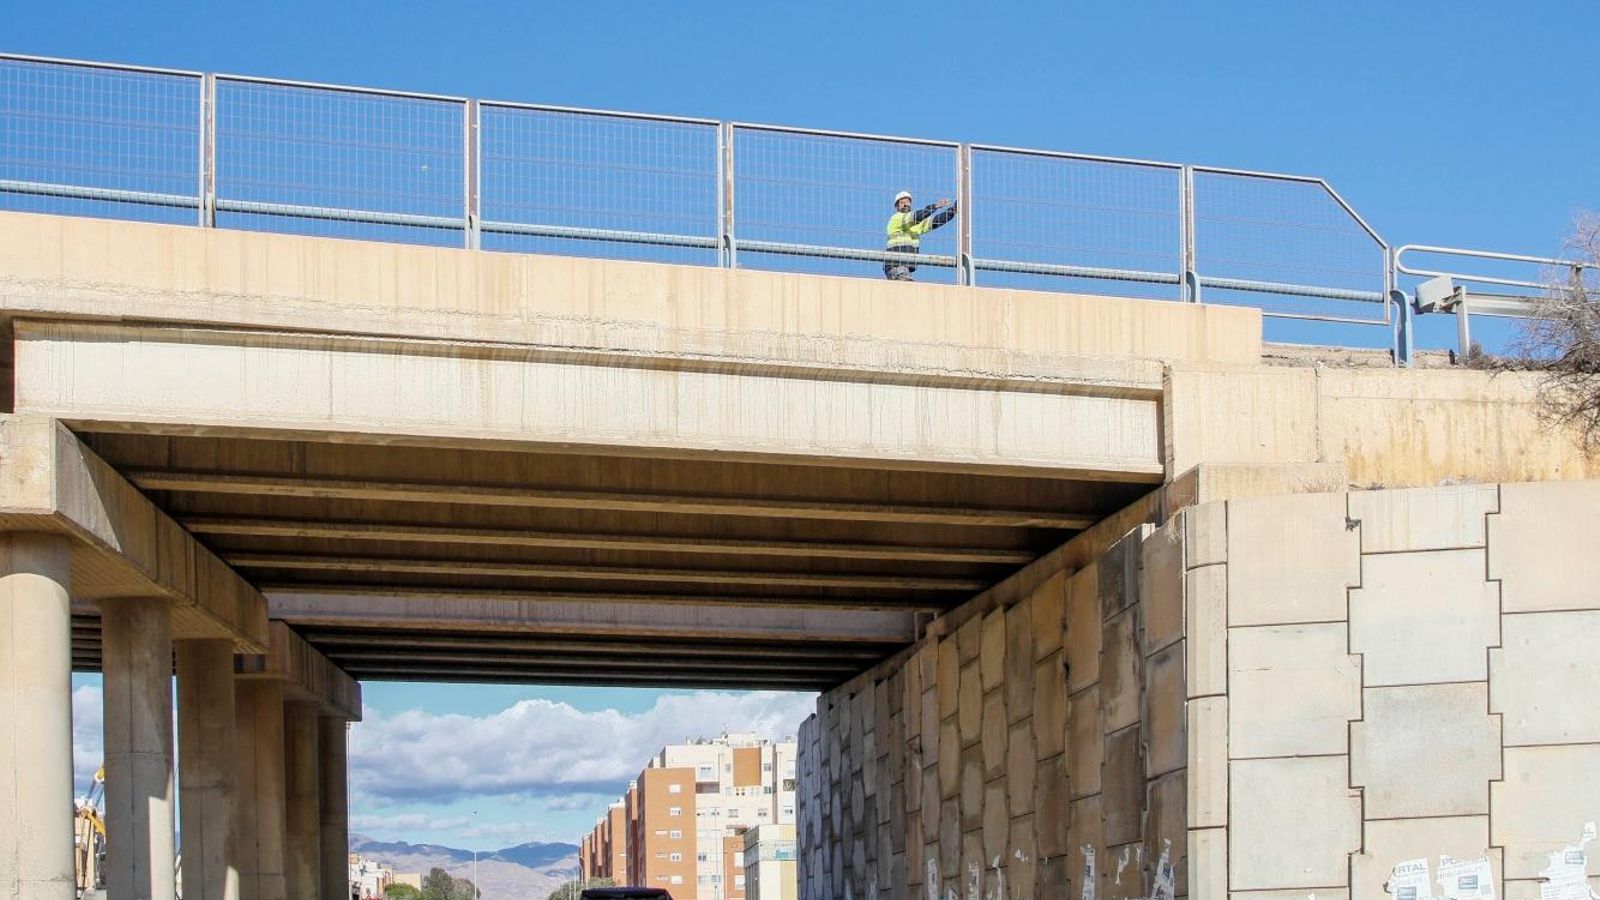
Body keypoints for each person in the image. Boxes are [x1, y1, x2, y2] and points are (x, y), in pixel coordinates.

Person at [883, 190, 957, 281]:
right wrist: (935, 207)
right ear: (897, 206)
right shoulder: (896, 219)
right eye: (902, 202)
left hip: (903, 266)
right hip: (895, 265)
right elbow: (917, 216)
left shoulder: (914, 226)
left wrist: (952, 211)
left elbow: (934, 222)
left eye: (908, 202)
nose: (906, 204)